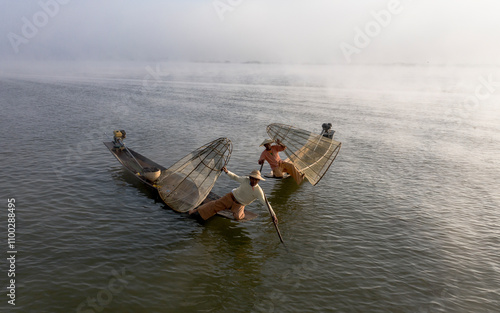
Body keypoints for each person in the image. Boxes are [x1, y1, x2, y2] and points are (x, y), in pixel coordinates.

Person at [188, 167, 277, 223]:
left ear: (259, 180)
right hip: (231, 196)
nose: (253, 181)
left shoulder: (258, 191)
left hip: (240, 204)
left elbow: (266, 203)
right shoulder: (245, 180)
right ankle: (195, 210)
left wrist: (273, 215)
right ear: (250, 178)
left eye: (256, 180)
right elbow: (235, 177)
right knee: (214, 205)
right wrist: (227, 172)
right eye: (252, 179)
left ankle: (239, 211)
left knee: (238, 217)